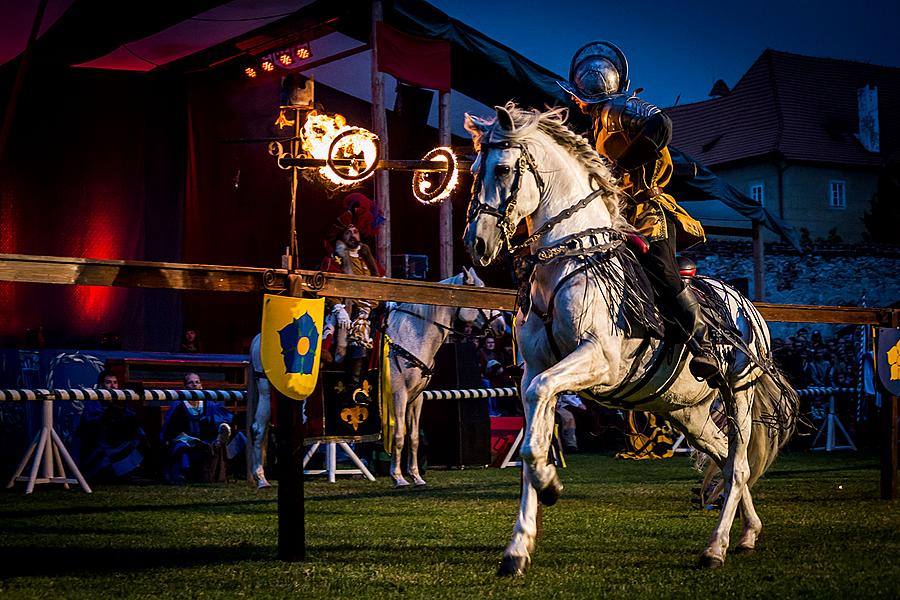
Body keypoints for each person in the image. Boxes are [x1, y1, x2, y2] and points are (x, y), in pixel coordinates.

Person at [558, 41, 719, 382]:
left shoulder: (620, 108)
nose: (573, 99)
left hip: (647, 211)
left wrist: (620, 165)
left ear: (591, 90)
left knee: (661, 269)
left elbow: (662, 126)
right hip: (615, 216)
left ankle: (704, 344)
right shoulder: (597, 125)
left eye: (576, 94)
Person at [321, 193, 385, 392]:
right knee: (358, 327)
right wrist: (338, 307)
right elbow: (328, 285)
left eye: (355, 231)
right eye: (347, 232)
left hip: (372, 310)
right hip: (346, 310)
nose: (352, 235)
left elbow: (381, 284)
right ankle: (354, 386)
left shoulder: (369, 261)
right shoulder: (334, 260)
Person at [160, 372, 244, 484]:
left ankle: (232, 468)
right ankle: (183, 475)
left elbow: (228, 416)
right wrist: (191, 440)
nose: (194, 385)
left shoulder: (209, 403)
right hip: (186, 440)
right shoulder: (178, 406)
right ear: (184, 387)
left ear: (201, 386)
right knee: (180, 446)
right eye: (191, 382)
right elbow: (171, 431)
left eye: (197, 382)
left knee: (234, 435)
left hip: (208, 439)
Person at [78, 369, 147, 481]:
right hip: (98, 442)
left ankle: (134, 470)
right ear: (101, 385)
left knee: (138, 432)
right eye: (108, 382)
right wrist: (109, 414)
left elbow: (130, 417)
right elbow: (91, 425)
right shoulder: (92, 401)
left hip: (118, 440)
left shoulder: (120, 400)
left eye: (115, 382)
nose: (113, 385)